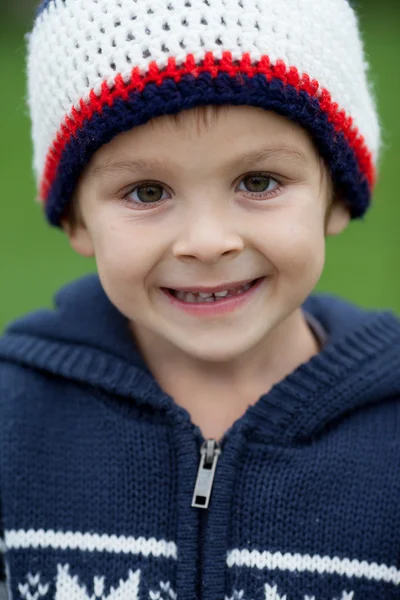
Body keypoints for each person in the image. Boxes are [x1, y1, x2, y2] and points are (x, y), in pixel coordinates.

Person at [1, 0, 400, 598]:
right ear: (75, 220)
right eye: (146, 191)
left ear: (337, 196)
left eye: (259, 182)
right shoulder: (16, 419)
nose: (207, 242)